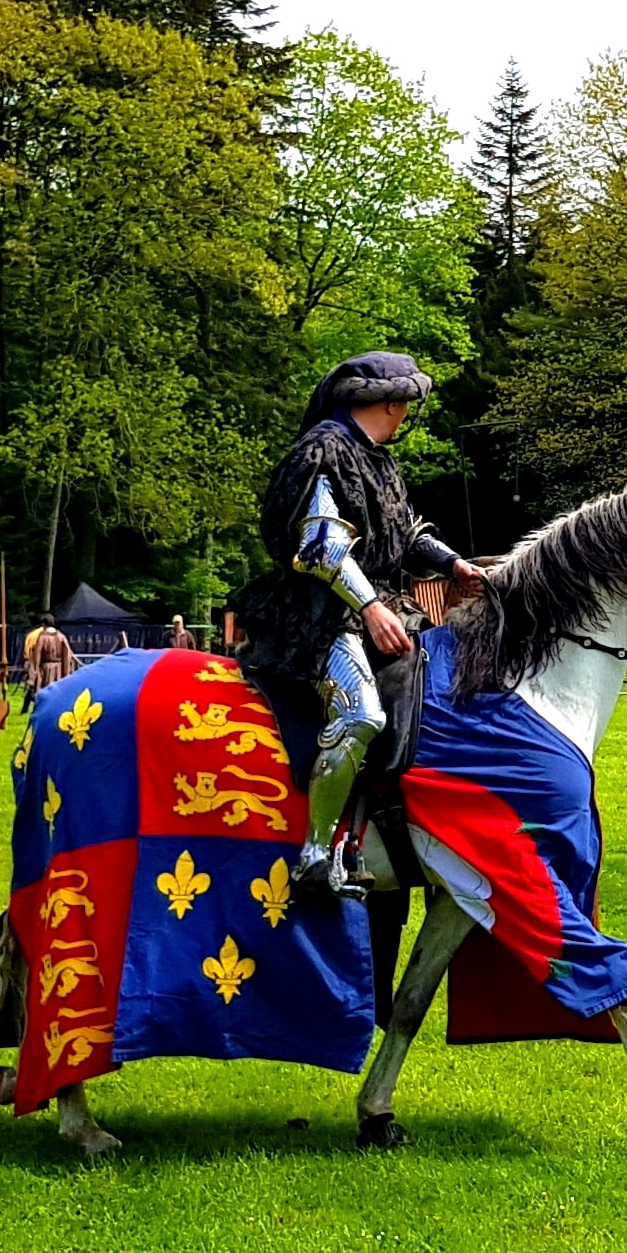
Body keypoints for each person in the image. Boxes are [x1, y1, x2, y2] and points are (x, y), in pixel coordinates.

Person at [232, 351, 486, 883]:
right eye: (407, 404)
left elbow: (405, 534)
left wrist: (452, 563)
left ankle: (391, 831)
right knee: (362, 715)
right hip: (321, 615)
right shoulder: (322, 452)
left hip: (383, 607)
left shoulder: (380, 461)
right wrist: (369, 608)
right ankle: (315, 857)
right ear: (392, 404)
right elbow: (321, 548)